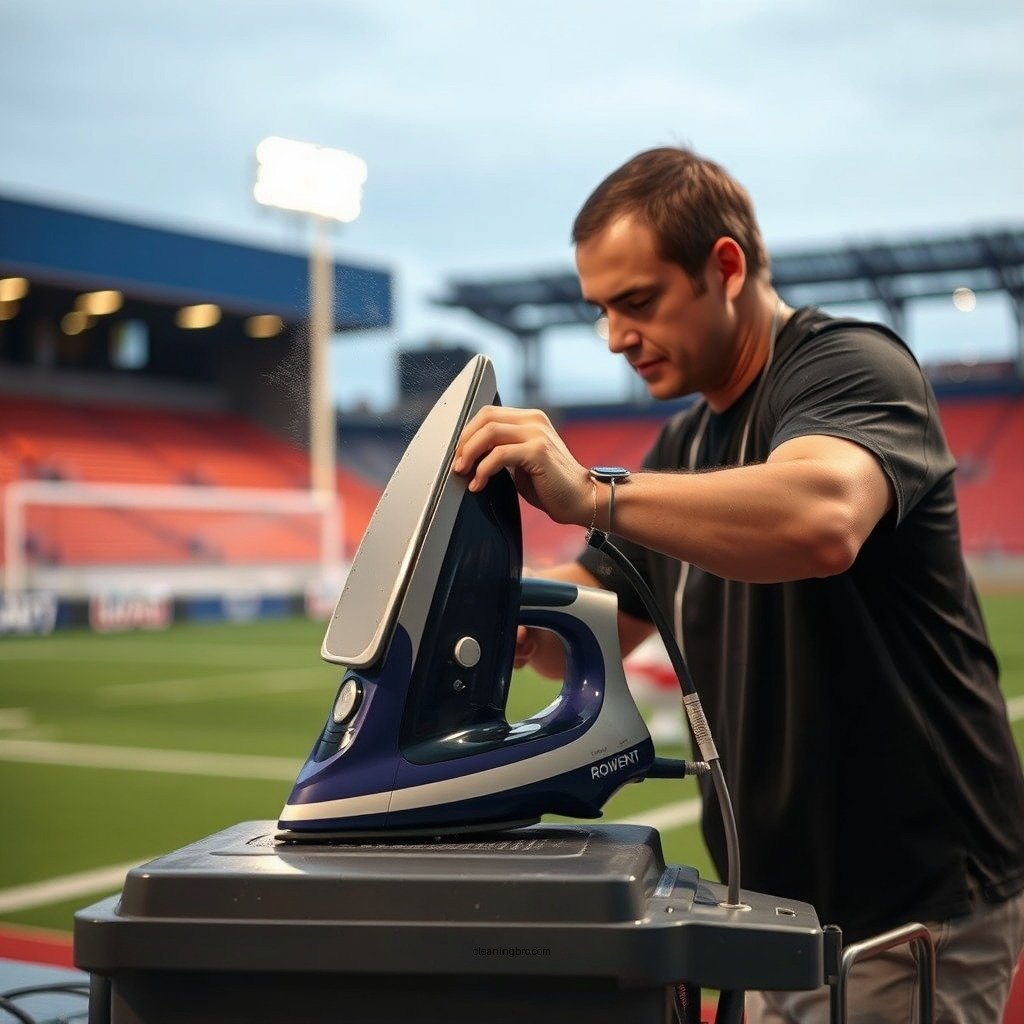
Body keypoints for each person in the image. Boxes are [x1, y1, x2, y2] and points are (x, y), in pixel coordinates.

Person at [454, 147, 1024, 1022]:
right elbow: (589, 617)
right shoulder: (684, 446)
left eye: (637, 301)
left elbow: (823, 517)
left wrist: (590, 493)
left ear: (724, 267)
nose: (613, 335)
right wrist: (474, 596)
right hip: (767, 912)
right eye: (601, 309)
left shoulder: (849, 364)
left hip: (908, 912)